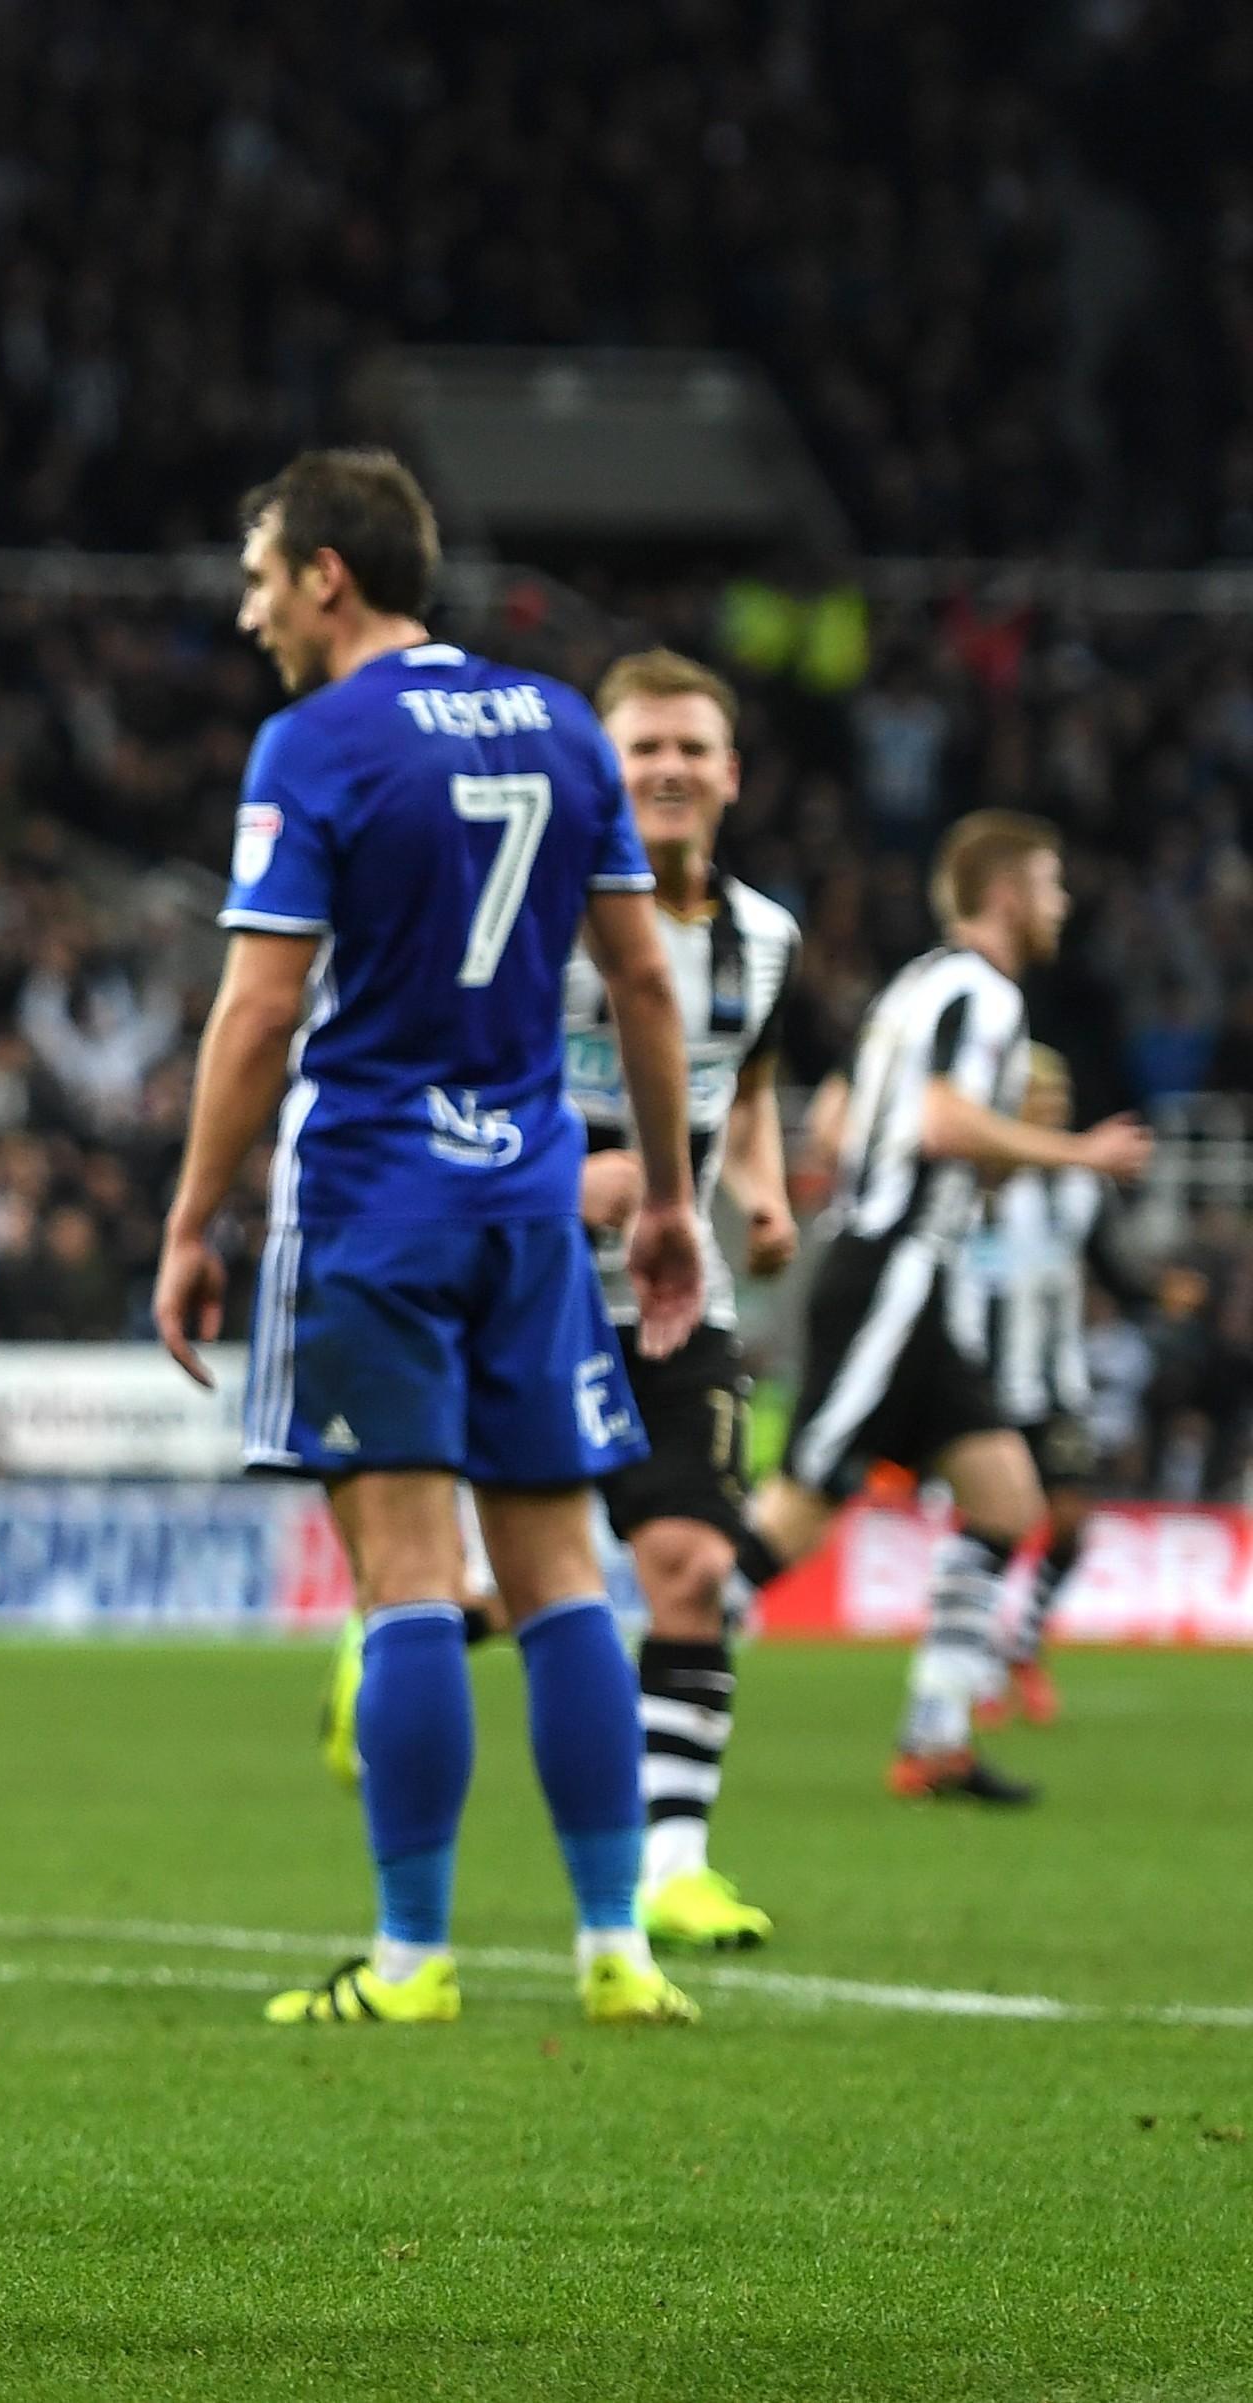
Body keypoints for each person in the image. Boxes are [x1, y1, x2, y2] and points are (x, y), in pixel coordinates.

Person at [155, 447, 713, 2033]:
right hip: (529, 1202)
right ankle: (615, 1942)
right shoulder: (563, 722)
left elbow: (260, 1007)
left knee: (408, 1581)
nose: (252, 610)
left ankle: (412, 1959)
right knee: (563, 1582)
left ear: (329, 575)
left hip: (376, 1202)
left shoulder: (316, 741)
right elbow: (646, 979)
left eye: (264, 577)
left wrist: (191, 1216)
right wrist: (670, 1195)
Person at [749, 813, 1148, 1804]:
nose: (1061, 905)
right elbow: (937, 1121)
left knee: (1007, 1501)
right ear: (1006, 895)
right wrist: (1077, 1153)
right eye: (1050, 885)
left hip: (918, 1277)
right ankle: (658, 1655)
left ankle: (935, 1738)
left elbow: (838, 1119)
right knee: (803, 1502)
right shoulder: (985, 994)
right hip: (896, 1273)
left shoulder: (916, 986)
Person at [554, 649, 802, 1953]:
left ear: (731, 774)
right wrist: (559, 1175)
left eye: (691, 747)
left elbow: (746, 1089)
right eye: (642, 746)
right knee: (514, 1584)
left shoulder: (768, 940)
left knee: (695, 1566)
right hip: (531, 1290)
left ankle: (675, 1866)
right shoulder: (536, 916)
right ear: (600, 771)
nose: (668, 768)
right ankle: (397, 1637)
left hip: (673, 1301)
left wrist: (762, 1196)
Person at [965, 1046, 1125, 1730]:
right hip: (986, 1385)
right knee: (992, 1527)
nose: (1052, 1108)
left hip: (1058, 1385)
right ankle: (976, 1664)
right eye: (1039, 1096)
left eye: (1059, 1099)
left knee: (1070, 1522)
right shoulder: (978, 1183)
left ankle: (1021, 1644)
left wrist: (1158, 1291)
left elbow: (1109, 1266)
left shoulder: (1081, 1185)